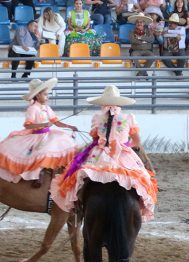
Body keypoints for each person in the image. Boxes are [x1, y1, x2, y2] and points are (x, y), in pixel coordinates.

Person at [51, 85, 158, 222]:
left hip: (99, 154)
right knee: (144, 178)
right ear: (119, 103)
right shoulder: (129, 117)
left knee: (78, 174)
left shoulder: (97, 118)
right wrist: (125, 146)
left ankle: (77, 206)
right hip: (123, 154)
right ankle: (139, 207)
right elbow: (136, 141)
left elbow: (95, 139)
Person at [0, 78, 78, 187]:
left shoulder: (46, 107)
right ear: (38, 96)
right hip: (37, 136)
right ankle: (38, 174)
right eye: (45, 95)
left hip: (48, 133)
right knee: (42, 152)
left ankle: (56, 171)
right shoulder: (33, 109)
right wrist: (43, 124)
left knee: (64, 142)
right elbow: (27, 125)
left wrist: (70, 127)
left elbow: (56, 122)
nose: (47, 97)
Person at [128, 12, 155, 77]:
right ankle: (143, 73)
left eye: (141, 22)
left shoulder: (148, 31)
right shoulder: (131, 31)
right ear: (135, 23)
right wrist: (145, 41)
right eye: (137, 22)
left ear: (144, 23)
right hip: (136, 50)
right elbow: (132, 40)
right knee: (133, 55)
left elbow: (152, 40)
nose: (139, 24)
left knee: (152, 56)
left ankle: (141, 73)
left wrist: (140, 38)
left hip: (147, 50)